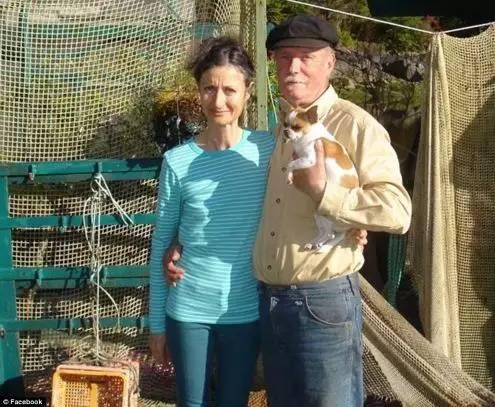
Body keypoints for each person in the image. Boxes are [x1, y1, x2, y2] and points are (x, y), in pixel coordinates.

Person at [165, 15, 409, 407]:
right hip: (270, 302)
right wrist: (183, 241)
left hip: (322, 300)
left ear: (330, 62)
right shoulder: (279, 131)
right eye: (283, 57)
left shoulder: (354, 125)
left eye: (306, 57)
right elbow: (242, 202)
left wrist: (328, 196)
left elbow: (396, 211)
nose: (293, 67)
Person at [148, 36, 275, 407]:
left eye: (230, 90)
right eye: (209, 89)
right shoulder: (177, 162)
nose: (219, 101)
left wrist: (351, 222)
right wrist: (157, 326)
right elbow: (161, 244)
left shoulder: (269, 151)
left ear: (248, 91)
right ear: (198, 92)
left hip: (246, 311)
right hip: (188, 311)